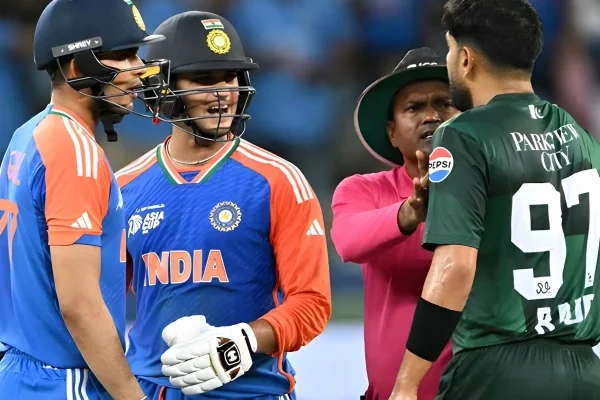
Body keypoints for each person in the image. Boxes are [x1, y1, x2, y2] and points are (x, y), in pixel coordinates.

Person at [389, 1, 600, 400]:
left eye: (450, 49)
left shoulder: (462, 135)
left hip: (497, 370)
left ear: (466, 58)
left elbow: (455, 266)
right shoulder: (581, 136)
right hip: (585, 370)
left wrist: (407, 383)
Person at [116, 11, 332, 400]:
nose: (223, 92)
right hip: (151, 391)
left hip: (252, 392)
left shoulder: (279, 180)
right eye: (203, 79)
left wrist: (243, 341)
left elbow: (312, 304)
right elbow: (97, 304)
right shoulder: (123, 189)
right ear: (163, 88)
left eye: (230, 77)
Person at [0, 0, 167, 399]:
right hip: (64, 379)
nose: (139, 69)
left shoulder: (28, 134)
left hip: (22, 372)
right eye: (123, 55)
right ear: (77, 68)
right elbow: (80, 305)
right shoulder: (74, 151)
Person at [331, 48, 459, 400]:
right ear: (391, 132)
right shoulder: (363, 190)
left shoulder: (496, 188)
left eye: (444, 104)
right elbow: (348, 242)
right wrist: (408, 213)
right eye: (414, 107)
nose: (431, 116)